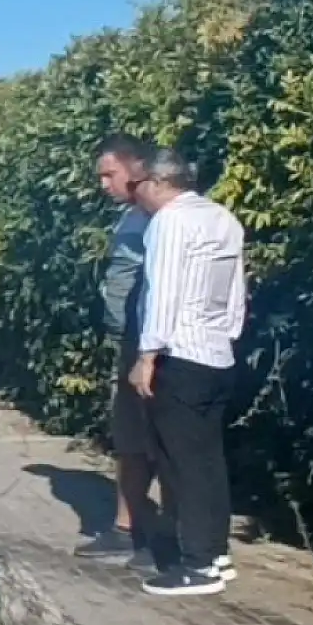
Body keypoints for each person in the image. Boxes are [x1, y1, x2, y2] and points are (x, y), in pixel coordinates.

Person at [128, 148, 247, 597]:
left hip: (180, 355)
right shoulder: (222, 218)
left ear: (158, 183)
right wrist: (227, 334)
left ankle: (198, 565)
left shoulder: (170, 222)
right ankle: (216, 553)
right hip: (216, 354)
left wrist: (146, 355)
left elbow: (164, 292)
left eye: (141, 186)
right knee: (209, 461)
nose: (138, 195)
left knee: (181, 463)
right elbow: (236, 289)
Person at [74, 133, 164, 572]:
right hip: (131, 342)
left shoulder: (164, 220)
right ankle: (125, 531)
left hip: (156, 344)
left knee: (163, 443)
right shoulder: (132, 216)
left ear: (136, 168)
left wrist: (148, 347)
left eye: (110, 174)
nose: (103, 184)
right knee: (129, 441)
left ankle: (166, 541)